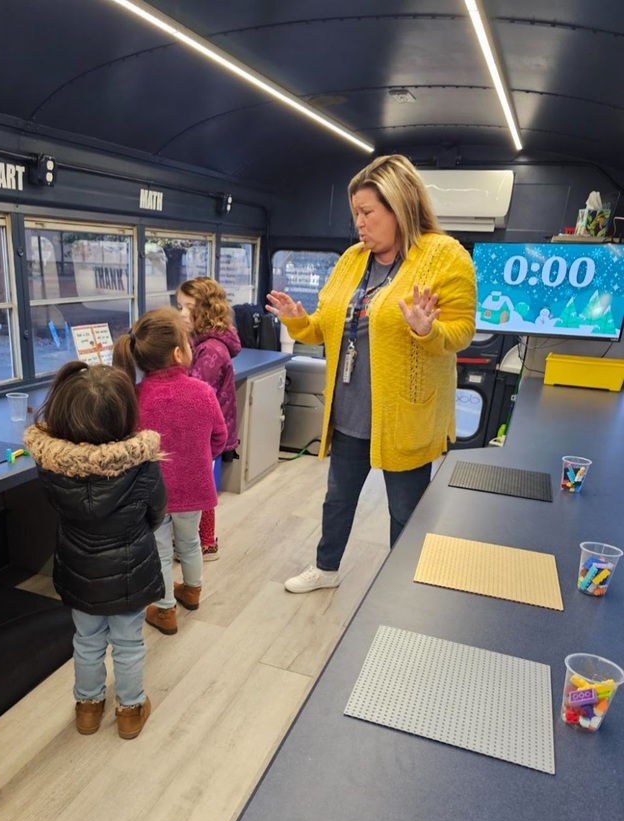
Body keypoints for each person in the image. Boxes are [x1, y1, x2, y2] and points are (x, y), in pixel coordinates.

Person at [267, 153, 476, 592]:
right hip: (350, 411)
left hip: (405, 414)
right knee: (337, 499)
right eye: (355, 214)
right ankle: (326, 570)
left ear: (399, 206)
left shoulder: (444, 256)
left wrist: (427, 329)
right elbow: (324, 324)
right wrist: (297, 320)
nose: (359, 224)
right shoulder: (351, 260)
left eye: (367, 213)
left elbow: (462, 331)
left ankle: (403, 590)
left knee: (405, 510)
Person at [24, 361, 166, 740]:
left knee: (85, 641)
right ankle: (130, 711)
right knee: (128, 642)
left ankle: (87, 707)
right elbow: (156, 513)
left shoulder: (51, 468)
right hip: (130, 572)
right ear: (124, 415)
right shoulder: (144, 468)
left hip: (77, 570)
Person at [113, 308, 227, 636]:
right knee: (190, 542)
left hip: (153, 494)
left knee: (160, 551)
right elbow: (219, 438)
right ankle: (192, 591)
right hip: (195, 490)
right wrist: (199, 458)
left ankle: (165, 611)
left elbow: (131, 449)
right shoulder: (203, 393)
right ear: (178, 353)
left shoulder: (135, 398)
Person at [176, 276, 242, 561]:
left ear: (205, 310)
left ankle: (204, 544)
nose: (180, 313)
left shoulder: (211, 350)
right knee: (201, 484)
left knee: (199, 488)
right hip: (207, 426)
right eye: (178, 306)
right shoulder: (202, 340)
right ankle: (202, 540)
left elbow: (195, 392)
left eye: (187, 307)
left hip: (203, 429)